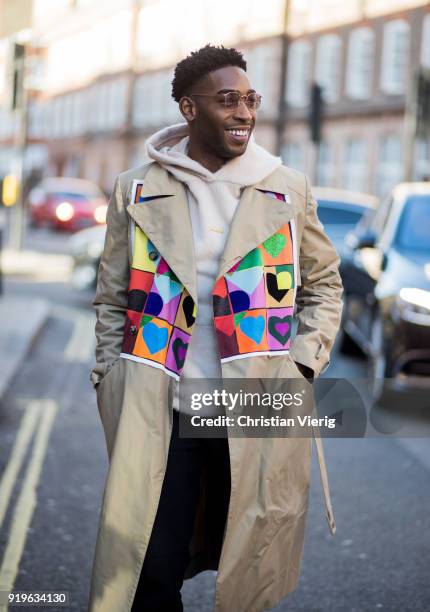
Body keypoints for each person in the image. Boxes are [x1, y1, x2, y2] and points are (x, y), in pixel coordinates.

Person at [88, 44, 343, 612]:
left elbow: (324, 285)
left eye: (251, 99)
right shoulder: (137, 188)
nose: (244, 112)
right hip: (163, 407)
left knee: (248, 572)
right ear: (188, 109)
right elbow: (110, 298)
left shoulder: (285, 188)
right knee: (149, 571)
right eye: (228, 100)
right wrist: (108, 373)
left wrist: (303, 362)